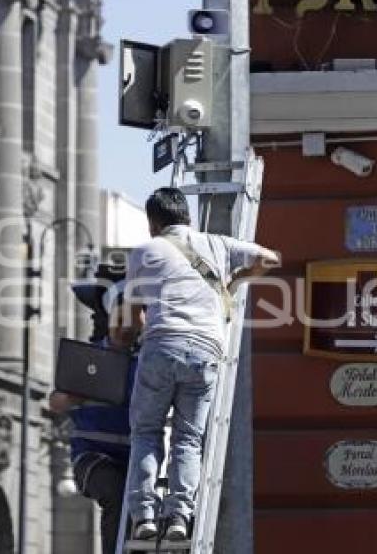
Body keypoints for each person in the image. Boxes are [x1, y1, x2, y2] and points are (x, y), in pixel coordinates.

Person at [111, 187, 280, 542]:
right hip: (206, 350)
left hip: (162, 346)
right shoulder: (218, 244)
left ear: (152, 222)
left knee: (146, 432)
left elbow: (129, 320)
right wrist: (234, 283)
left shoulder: (145, 251)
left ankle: (143, 516)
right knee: (189, 439)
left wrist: (123, 339)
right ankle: (179, 517)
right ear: (186, 216)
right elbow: (270, 258)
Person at [50, 279, 139, 554]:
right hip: (92, 458)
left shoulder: (149, 363)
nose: (125, 328)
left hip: (135, 459)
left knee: (139, 506)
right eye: (120, 318)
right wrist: (73, 397)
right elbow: (55, 402)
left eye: (133, 319)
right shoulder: (88, 358)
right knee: (114, 492)